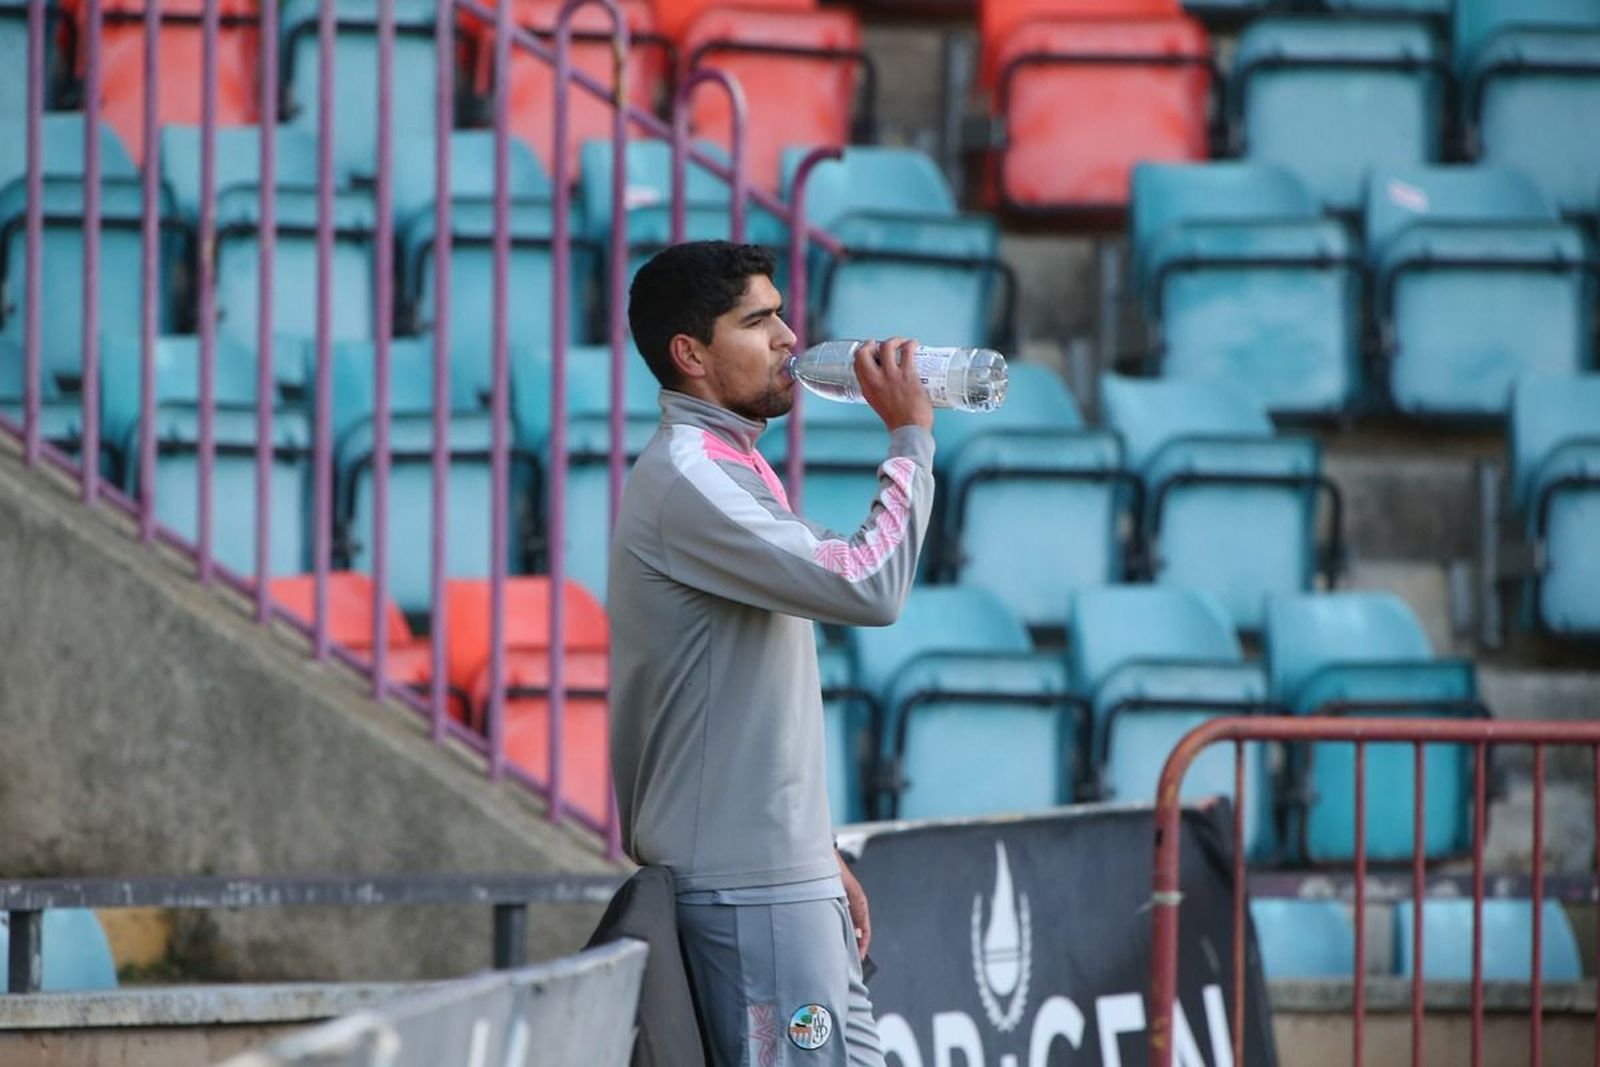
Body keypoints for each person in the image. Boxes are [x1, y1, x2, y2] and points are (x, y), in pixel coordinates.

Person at [608, 240, 936, 1067]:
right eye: (759, 320)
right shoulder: (691, 475)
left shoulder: (731, 462)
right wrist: (908, 438)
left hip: (781, 878)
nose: (791, 335)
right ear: (690, 354)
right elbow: (871, 584)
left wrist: (814, 848)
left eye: (783, 312)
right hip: (751, 891)